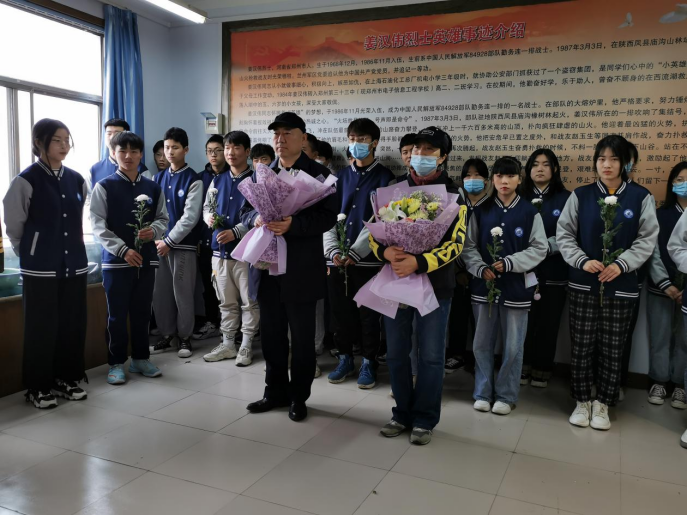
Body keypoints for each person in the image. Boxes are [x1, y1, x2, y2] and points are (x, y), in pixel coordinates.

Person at [241, 112, 337, 423]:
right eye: (276, 134)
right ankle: (274, 392)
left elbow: (327, 217)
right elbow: (244, 212)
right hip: (267, 267)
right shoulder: (263, 173)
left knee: (302, 338)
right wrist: (255, 219)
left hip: (301, 268)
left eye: (287, 133)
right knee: (271, 335)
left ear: (303, 138)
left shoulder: (319, 175)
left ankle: (299, 397)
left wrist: (294, 224)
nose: (280, 140)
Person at [558, 135, 658, 431]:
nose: (607, 164)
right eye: (602, 158)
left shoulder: (641, 197)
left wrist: (621, 264)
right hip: (583, 283)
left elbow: (647, 239)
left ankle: (603, 402)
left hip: (622, 285)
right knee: (581, 345)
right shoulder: (581, 195)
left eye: (614, 159)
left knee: (613, 348)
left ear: (626, 163)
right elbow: (564, 234)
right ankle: (581, 401)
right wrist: (581, 260)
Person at [375, 127, 467, 446]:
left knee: (430, 356)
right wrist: (385, 253)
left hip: (436, 286)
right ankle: (401, 413)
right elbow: (377, 234)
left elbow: (456, 244)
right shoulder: (394, 190)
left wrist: (420, 262)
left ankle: (425, 418)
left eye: (430, 150)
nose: (421, 155)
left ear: (442, 157)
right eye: (417, 149)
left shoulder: (454, 195)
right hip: (397, 280)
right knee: (397, 353)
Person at [3, 119, 89, 409]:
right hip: (39, 268)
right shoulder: (25, 180)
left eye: (67, 140)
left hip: (74, 264)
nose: (64, 146)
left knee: (71, 325)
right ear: (39, 142)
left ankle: (66, 378)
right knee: (41, 328)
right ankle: (37, 386)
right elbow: (14, 225)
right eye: (57, 140)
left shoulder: (76, 179)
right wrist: (30, 252)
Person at [462, 157, 548, 416]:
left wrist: (510, 263)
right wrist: (480, 268)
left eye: (510, 176)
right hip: (483, 287)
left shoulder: (530, 212)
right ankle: (482, 392)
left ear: (519, 179)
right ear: (492, 180)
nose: (504, 181)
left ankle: (506, 395)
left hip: (516, 288)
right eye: (499, 176)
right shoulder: (481, 211)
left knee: (513, 346)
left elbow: (539, 248)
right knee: (481, 343)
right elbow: (468, 247)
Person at [90, 131, 169, 384]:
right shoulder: (104, 186)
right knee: (116, 315)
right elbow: (97, 225)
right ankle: (115, 363)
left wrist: (153, 231)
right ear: (113, 154)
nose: (128, 156)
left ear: (140, 154)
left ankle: (140, 358)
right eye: (122, 151)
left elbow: (163, 218)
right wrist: (122, 250)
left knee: (142, 312)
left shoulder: (152, 187)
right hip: (116, 262)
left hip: (146, 260)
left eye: (134, 151)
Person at [325, 118, 394, 389]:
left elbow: (383, 219)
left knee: (369, 316)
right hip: (337, 260)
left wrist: (356, 252)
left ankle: (369, 362)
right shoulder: (339, 177)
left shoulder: (386, 178)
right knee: (340, 314)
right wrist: (333, 250)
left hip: (368, 260)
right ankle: (344, 359)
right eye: (352, 139)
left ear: (374, 142)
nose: (356, 144)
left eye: (362, 139)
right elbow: (327, 216)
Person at [202, 131, 260, 366]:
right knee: (225, 301)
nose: (230, 152)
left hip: (246, 252)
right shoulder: (218, 180)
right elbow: (208, 206)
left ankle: (246, 345)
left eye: (236, 148)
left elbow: (261, 215)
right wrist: (208, 218)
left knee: (249, 301)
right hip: (219, 252)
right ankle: (227, 344)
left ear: (247, 151)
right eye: (227, 147)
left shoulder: (256, 181)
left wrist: (236, 232)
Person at [150, 128, 203, 359]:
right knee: (160, 293)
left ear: (186, 150)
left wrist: (169, 241)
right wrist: (157, 238)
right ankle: (167, 334)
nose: (169, 152)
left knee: (182, 293)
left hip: (182, 246)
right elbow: (152, 213)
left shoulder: (193, 179)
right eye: (166, 147)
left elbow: (190, 217)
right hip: (158, 245)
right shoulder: (157, 179)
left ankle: (184, 337)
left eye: (175, 147)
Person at [521, 149, 572, 388]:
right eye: (535, 164)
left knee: (549, 323)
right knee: (524, 322)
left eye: (546, 164)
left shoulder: (567, 198)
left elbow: (571, 233)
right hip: (523, 271)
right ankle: (522, 365)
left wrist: (544, 248)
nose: (539, 169)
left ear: (555, 169)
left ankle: (543, 367)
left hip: (554, 270)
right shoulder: (518, 196)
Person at [647, 162, 687, 408]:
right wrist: (665, 284)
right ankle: (659, 381)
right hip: (661, 287)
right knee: (660, 336)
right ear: (672, 183)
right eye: (680, 179)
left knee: (684, 339)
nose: (684, 184)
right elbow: (652, 253)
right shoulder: (660, 215)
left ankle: (681, 385)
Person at [445, 158, 491, 374]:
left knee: (481, 320)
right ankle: (456, 354)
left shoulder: (491, 206)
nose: (472, 180)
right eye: (468, 176)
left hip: (483, 271)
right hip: (456, 271)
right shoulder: (456, 205)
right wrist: (458, 270)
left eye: (477, 175)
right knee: (457, 315)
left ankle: (478, 359)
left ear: (487, 180)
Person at [192, 135, 227, 342]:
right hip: (205, 241)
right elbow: (197, 212)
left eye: (218, 150)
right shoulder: (200, 178)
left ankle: (234, 327)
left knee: (232, 288)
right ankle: (212, 322)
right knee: (208, 284)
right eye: (209, 151)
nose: (213, 155)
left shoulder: (232, 175)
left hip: (228, 239)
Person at [89, 118, 149, 191]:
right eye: (109, 134)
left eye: (117, 133)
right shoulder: (94, 169)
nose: (112, 137)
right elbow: (89, 196)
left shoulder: (142, 170)